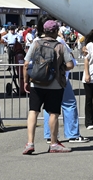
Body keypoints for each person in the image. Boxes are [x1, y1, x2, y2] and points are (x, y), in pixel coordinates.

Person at [22, 21, 76, 155]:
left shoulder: (36, 43)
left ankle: (30, 143)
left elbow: (26, 64)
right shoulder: (60, 46)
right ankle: (53, 143)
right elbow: (70, 65)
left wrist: (26, 81)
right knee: (53, 113)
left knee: (33, 111)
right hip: (55, 84)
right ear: (56, 31)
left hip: (36, 82)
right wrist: (60, 67)